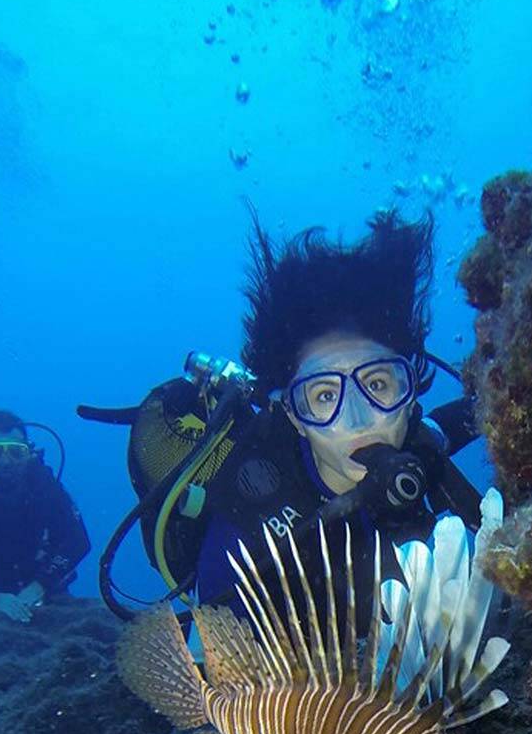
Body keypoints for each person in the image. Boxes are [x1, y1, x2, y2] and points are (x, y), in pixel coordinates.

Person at [194, 210, 481, 632]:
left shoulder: (424, 442)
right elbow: (221, 670)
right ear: (293, 415)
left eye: (379, 384)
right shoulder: (246, 529)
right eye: (325, 395)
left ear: (410, 395)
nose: (360, 418)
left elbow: (491, 411)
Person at [0, 409, 91, 622]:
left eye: (16, 452)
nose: (6, 462)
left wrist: (40, 585)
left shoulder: (44, 484)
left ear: (29, 453)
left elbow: (78, 541)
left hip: (50, 591)